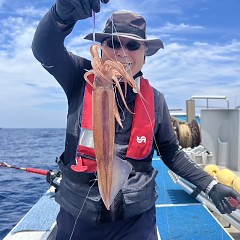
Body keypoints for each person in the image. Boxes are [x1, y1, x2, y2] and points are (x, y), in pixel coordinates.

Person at [32, 1, 240, 239]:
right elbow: (45, 50)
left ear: (145, 54)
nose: (122, 53)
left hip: (135, 221)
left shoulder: (155, 100)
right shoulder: (80, 77)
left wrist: (210, 185)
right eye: (113, 43)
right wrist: (60, 15)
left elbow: (171, 153)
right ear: (100, 47)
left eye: (132, 45)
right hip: (78, 214)